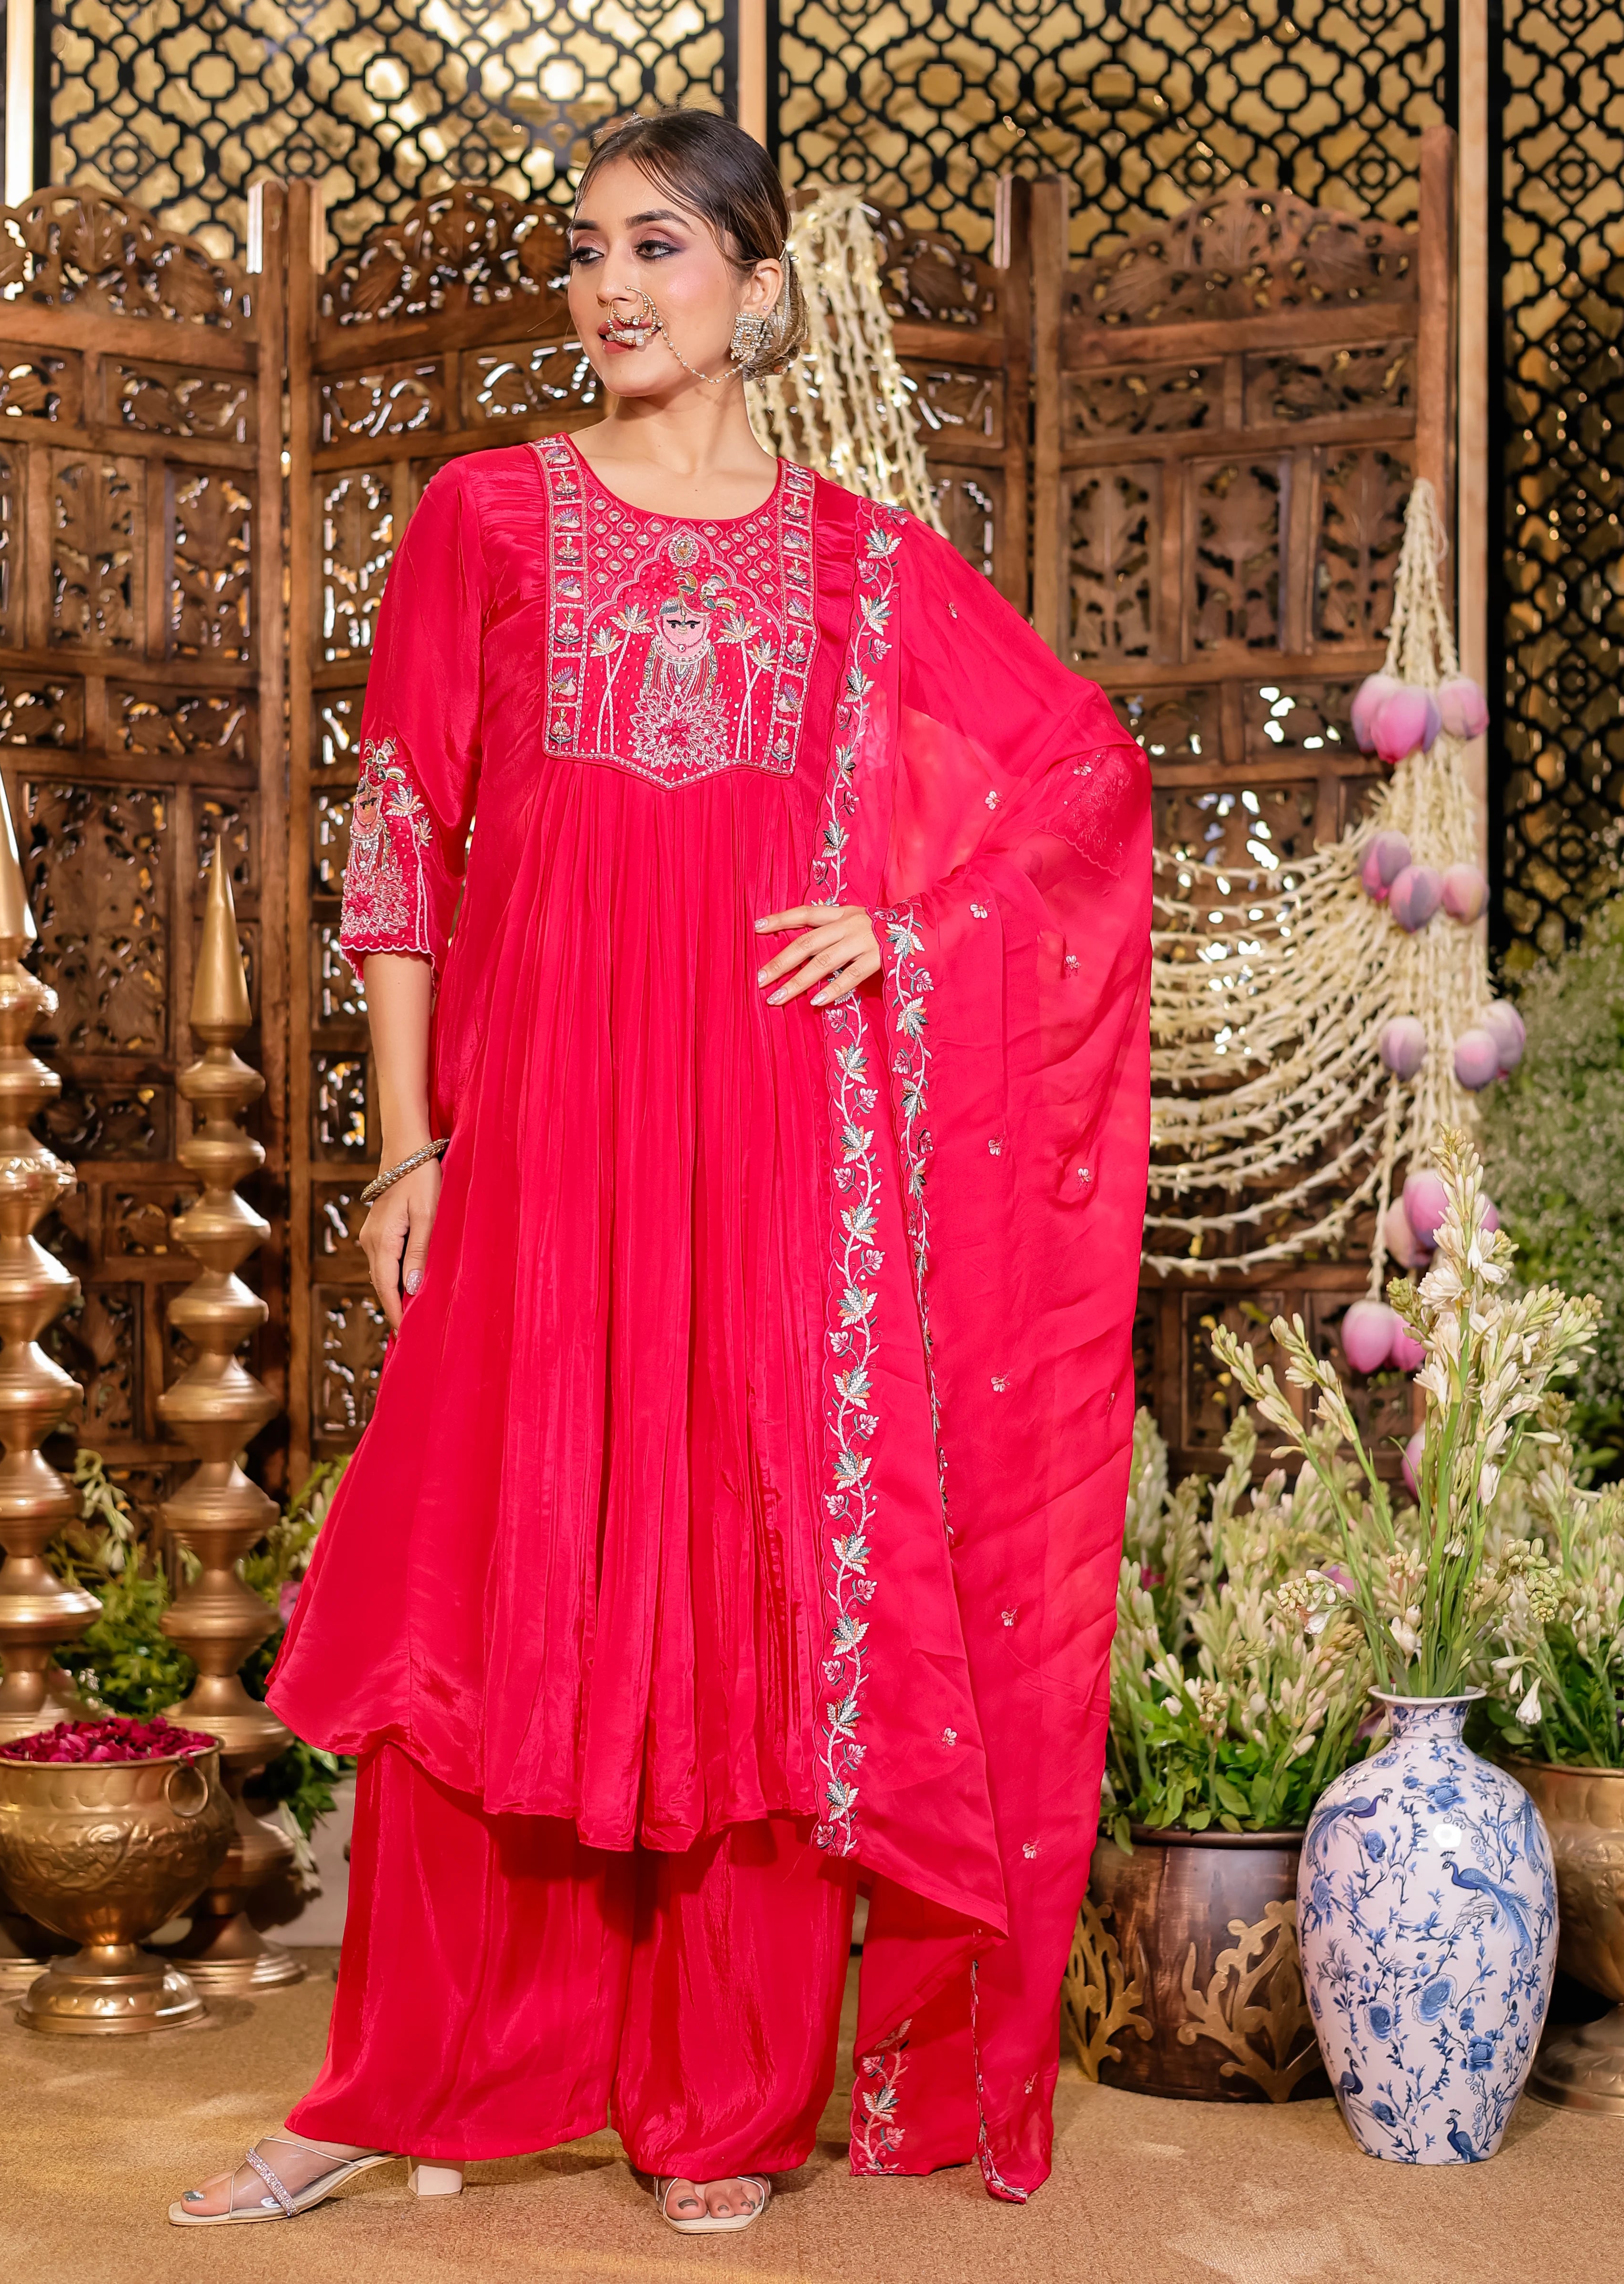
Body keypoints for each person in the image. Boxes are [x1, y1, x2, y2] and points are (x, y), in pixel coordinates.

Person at [171, 108, 1151, 2235]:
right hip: (531, 1144)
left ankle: (719, 2100)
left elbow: (1077, 778)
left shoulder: (864, 564)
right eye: (589, 254)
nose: (613, 288)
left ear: (757, 288)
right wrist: (407, 1143)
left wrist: (908, 934)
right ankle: (392, 2075)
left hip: (771, 1150)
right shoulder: (485, 517)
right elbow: (400, 841)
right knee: (478, 1582)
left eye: (659, 249)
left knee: (747, 1595)